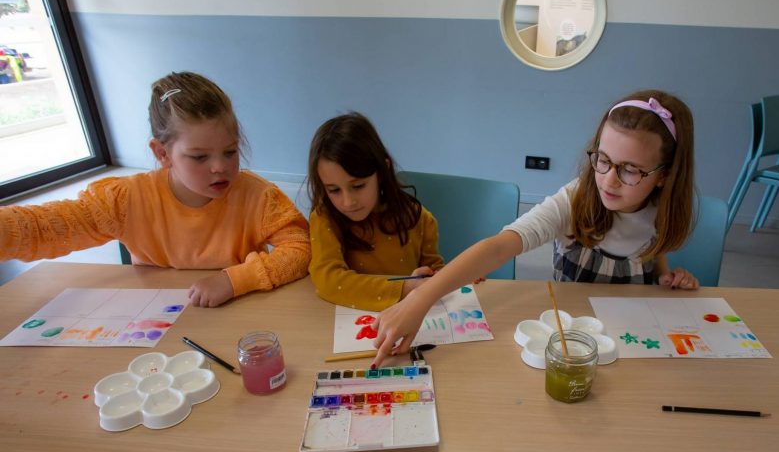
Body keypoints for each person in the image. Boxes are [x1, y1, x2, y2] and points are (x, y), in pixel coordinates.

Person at [370, 89, 698, 366]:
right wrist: (419, 301)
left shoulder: (662, 210)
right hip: (569, 343)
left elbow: (653, 255)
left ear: (664, 175)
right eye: (603, 159)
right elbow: (500, 246)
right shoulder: (575, 200)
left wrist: (667, 276)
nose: (608, 180)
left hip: (631, 339)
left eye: (630, 170)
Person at [0, 71, 311, 307]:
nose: (220, 167)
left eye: (230, 152)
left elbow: (301, 249)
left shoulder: (258, 196)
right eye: (200, 157)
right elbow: (44, 227)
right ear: (162, 153)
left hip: (235, 311)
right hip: (156, 315)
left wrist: (234, 280)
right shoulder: (125, 199)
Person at [307, 112, 444, 311]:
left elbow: (432, 272)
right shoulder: (324, 219)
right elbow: (328, 281)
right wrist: (405, 288)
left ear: (381, 171)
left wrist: (456, 274)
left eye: (358, 186)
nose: (348, 202)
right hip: (349, 327)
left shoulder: (420, 219)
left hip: (408, 323)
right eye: (334, 190)